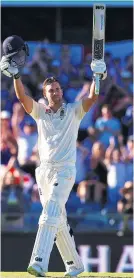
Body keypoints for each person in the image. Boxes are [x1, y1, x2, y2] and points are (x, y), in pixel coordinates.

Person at [0, 35, 107, 277]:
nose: (56, 93)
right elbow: (22, 98)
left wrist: (96, 77)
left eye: (58, 89)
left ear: (61, 91)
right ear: (46, 94)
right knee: (57, 219)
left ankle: (38, 262)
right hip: (43, 171)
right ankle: (76, 266)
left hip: (65, 170)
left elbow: (92, 98)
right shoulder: (40, 112)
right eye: (51, 90)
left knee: (49, 212)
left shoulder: (72, 112)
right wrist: (16, 76)